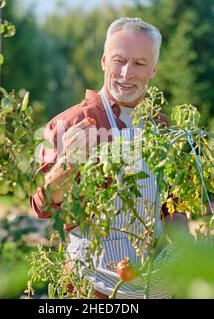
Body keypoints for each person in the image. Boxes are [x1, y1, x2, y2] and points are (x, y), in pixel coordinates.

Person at [30, 17, 189, 299]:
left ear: (153, 69)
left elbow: (170, 203)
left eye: (140, 63)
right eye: (119, 60)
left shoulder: (161, 125)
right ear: (104, 61)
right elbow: (42, 207)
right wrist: (70, 162)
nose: (127, 73)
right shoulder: (70, 123)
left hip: (156, 286)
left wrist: (184, 248)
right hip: (94, 286)